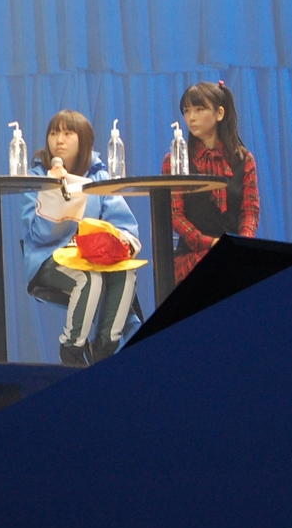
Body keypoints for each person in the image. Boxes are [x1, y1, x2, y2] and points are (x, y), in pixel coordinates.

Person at [21, 110, 142, 367]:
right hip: (49, 257)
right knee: (88, 278)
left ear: (83, 140)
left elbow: (123, 224)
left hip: (93, 256)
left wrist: (122, 244)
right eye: (54, 133)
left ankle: (105, 348)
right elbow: (40, 234)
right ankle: (71, 349)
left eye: (68, 133)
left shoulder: (98, 176)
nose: (59, 140)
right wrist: (54, 194)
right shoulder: (39, 177)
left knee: (126, 274)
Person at [163, 80, 260, 283]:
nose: (191, 117)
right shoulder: (175, 160)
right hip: (192, 254)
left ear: (220, 113)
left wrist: (242, 244)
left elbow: (250, 210)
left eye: (199, 109)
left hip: (232, 251)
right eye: (186, 111)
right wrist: (209, 243)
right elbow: (175, 214)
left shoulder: (244, 159)